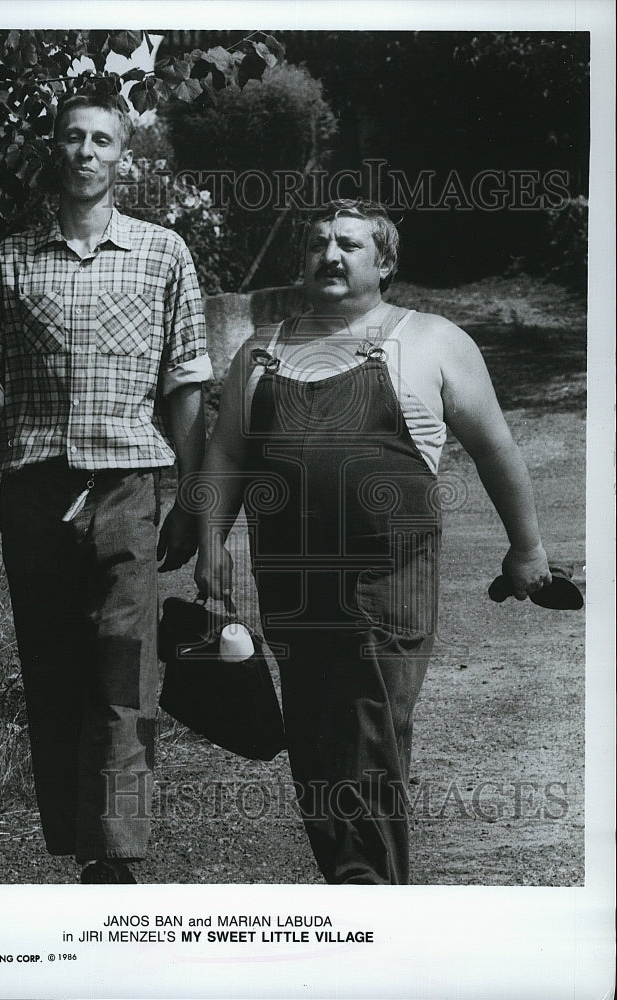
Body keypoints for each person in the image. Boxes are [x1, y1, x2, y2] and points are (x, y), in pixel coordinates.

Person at [194, 198, 551, 885]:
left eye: (350, 245)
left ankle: (372, 895)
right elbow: (227, 455)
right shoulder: (262, 349)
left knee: (368, 726)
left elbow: (496, 447)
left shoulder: (432, 340)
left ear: (383, 263)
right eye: (318, 243)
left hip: (389, 578)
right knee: (313, 736)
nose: (330, 255)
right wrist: (211, 539)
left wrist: (527, 547)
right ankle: (352, 884)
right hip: (292, 580)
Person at [0, 92, 213, 885]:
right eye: (73, 138)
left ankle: (118, 854)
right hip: (33, 489)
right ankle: (79, 840)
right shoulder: (9, 260)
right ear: (53, 151)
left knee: (125, 665)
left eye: (103, 140)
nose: (87, 152)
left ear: (123, 157)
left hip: (127, 486)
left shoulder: (164, 254)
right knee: (53, 669)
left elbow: (186, 381)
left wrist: (194, 498)